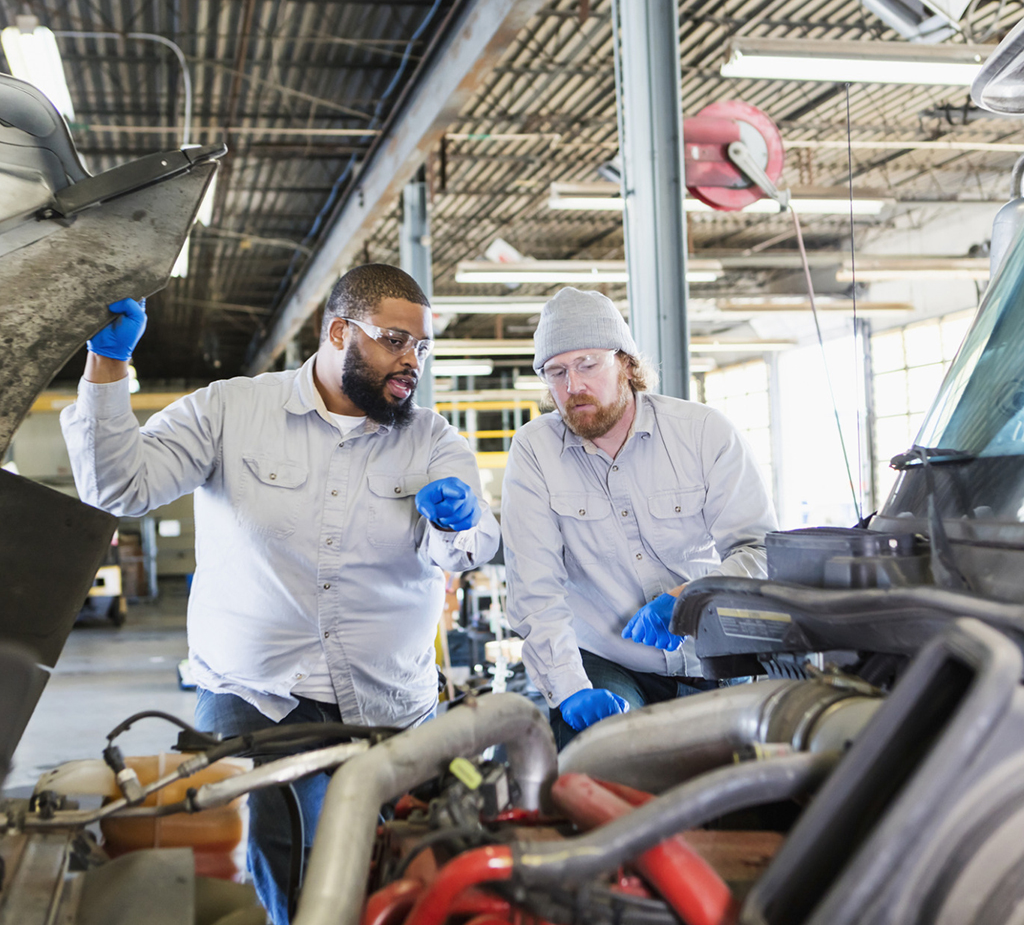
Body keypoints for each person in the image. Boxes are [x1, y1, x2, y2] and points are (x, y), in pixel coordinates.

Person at [61, 264, 500, 923]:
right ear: (339, 332)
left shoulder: (430, 439)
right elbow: (118, 487)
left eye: (421, 347)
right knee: (287, 864)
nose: (412, 361)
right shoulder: (231, 410)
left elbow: (465, 550)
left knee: (404, 863)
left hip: (388, 698)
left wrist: (459, 521)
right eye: (394, 340)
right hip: (256, 694)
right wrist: (106, 366)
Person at [501, 287, 777, 749]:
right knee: (596, 765)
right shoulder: (534, 451)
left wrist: (692, 597)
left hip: (713, 654)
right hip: (609, 661)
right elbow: (535, 591)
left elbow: (762, 550)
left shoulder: (704, 433)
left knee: (737, 787)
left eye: (588, 364)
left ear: (626, 364)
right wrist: (570, 690)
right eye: (556, 372)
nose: (572, 387)